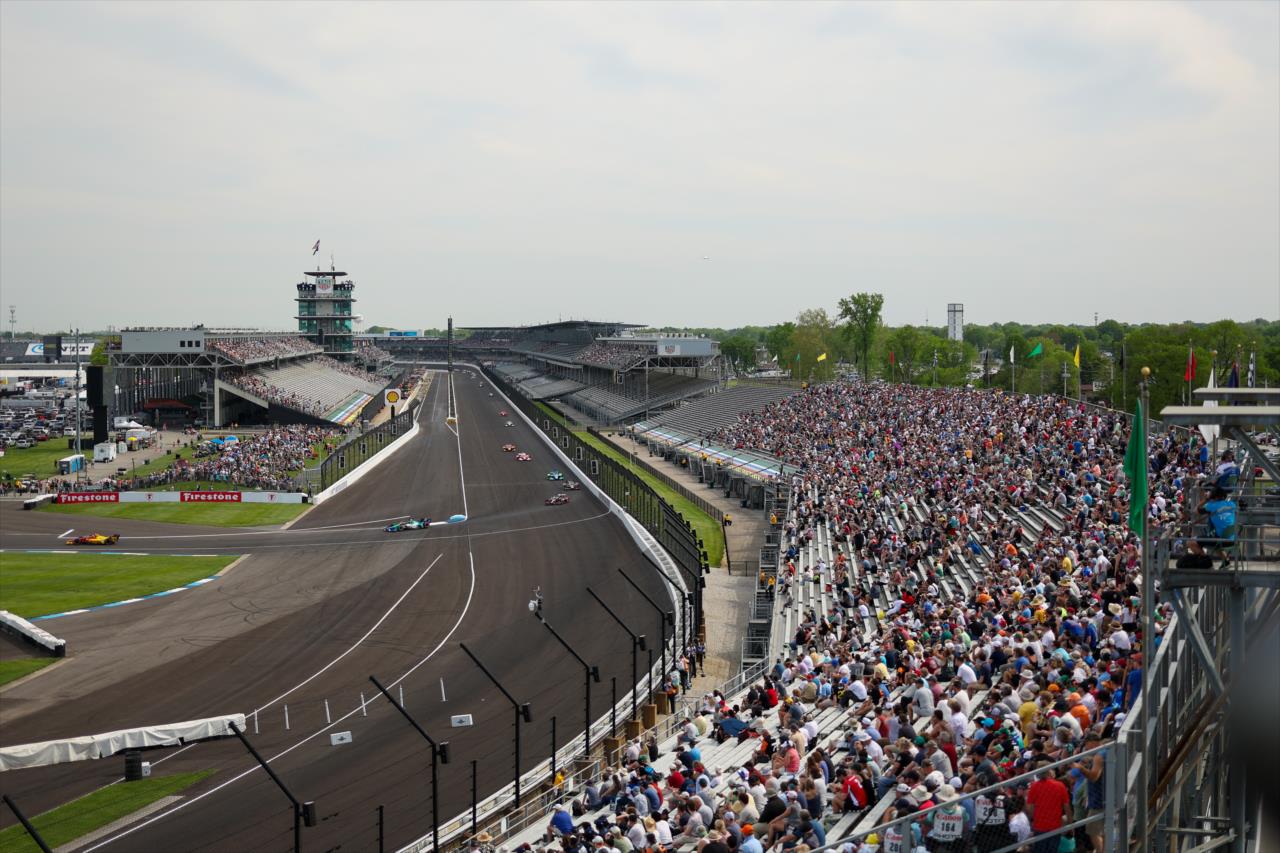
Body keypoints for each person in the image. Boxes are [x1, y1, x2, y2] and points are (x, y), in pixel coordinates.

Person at [1187, 486, 1237, 566]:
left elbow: (1196, 510)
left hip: (1222, 540)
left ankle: (1206, 562)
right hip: (1233, 539)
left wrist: (1205, 500)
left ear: (1214, 496)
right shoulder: (1232, 504)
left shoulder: (1210, 506)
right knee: (1214, 537)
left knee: (1191, 542)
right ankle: (1226, 561)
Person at [1026, 768, 1072, 853]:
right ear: (1049, 772)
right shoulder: (1060, 785)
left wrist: (1034, 818)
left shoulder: (1034, 786)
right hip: (1055, 826)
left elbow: (1030, 809)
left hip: (1040, 826)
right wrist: (1070, 823)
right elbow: (1067, 807)